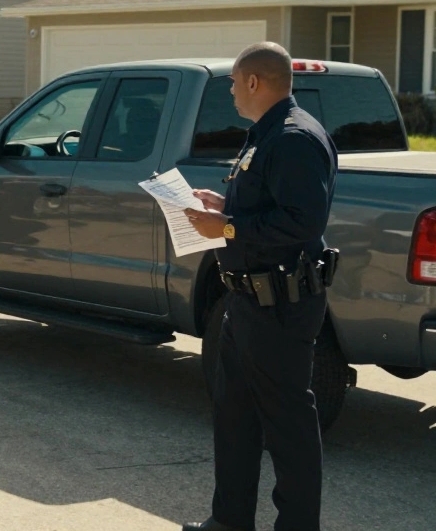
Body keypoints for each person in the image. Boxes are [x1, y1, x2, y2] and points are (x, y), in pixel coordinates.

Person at [181, 42, 338, 531]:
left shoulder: (294, 138)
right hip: (245, 301)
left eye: (232, 82)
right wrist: (224, 209)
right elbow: (265, 205)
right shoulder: (266, 134)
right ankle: (229, 521)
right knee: (234, 418)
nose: (229, 91)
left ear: (254, 82)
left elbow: (301, 222)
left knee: (287, 428)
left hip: (280, 306)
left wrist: (225, 229)